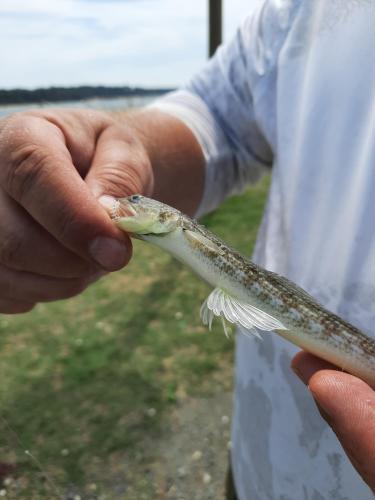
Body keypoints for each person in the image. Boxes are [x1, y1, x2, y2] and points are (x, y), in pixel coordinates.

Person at [0, 0, 374, 497]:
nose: (126, 205)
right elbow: (218, 115)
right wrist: (115, 146)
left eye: (135, 203)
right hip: (259, 458)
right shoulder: (297, 10)